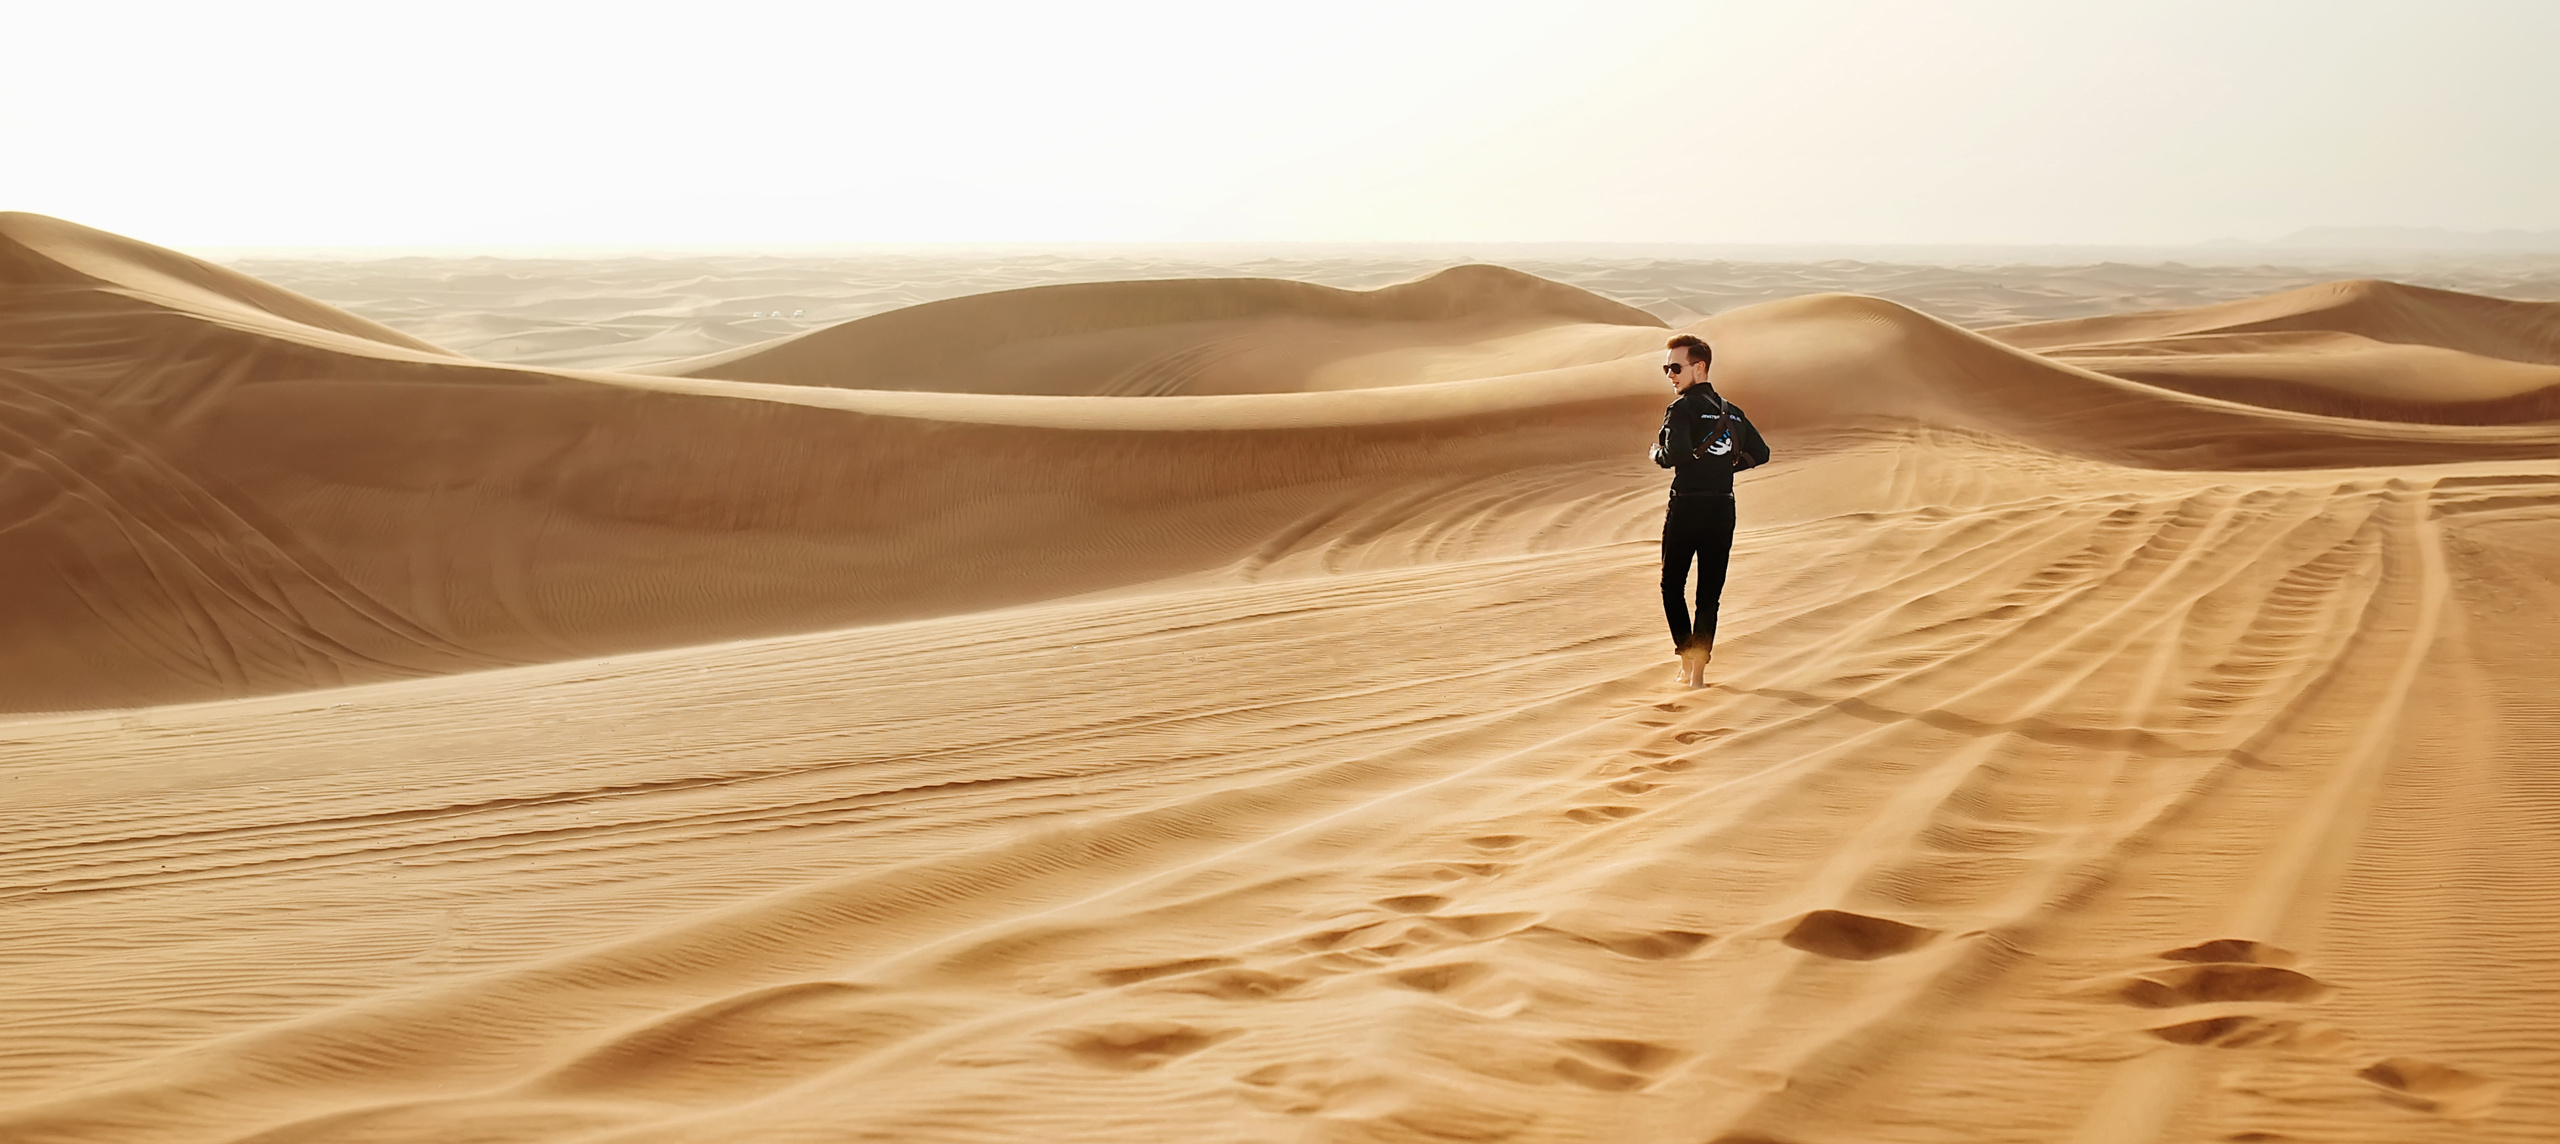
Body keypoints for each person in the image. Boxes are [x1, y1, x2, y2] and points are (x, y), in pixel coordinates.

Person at [1651, 334, 1770, 688]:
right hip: (1722, 508)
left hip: (1688, 505)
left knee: (1672, 586)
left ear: (1699, 367)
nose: (1670, 376)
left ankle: (1687, 662)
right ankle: (1699, 676)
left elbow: (1676, 455)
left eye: (1676, 367)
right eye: (1666, 368)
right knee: (1709, 595)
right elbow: (1761, 452)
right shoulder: (1731, 412)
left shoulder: (1681, 409)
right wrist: (1725, 467)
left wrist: (1656, 454)